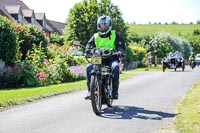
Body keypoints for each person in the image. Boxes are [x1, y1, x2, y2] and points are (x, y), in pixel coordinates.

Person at [85, 15, 126, 100]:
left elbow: (120, 45)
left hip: (112, 57)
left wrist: (120, 51)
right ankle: (90, 91)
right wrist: (87, 51)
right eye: (101, 24)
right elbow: (89, 46)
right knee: (88, 67)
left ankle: (114, 92)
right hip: (98, 58)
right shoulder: (95, 36)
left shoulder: (115, 34)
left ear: (109, 25)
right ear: (98, 25)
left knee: (115, 67)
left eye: (105, 24)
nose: (103, 26)